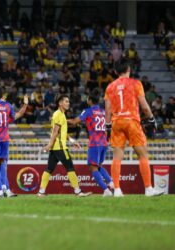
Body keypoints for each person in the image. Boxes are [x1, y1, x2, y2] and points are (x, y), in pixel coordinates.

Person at [104, 59, 164, 197]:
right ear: (129, 70)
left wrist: (108, 127)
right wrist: (152, 119)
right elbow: (144, 106)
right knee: (142, 154)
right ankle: (148, 189)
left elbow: (107, 110)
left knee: (117, 157)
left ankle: (117, 190)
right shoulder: (136, 84)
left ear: (115, 71)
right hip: (131, 121)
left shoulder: (110, 87)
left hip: (117, 122)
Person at [38, 95, 92, 197]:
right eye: (66, 101)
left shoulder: (61, 114)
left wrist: (72, 141)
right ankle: (78, 191)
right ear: (60, 103)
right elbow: (55, 132)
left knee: (49, 169)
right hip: (60, 147)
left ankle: (41, 192)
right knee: (70, 168)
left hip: (56, 147)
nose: (68, 103)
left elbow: (62, 133)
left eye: (68, 101)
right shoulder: (58, 114)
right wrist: (49, 145)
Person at [68, 90, 114, 196]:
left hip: (95, 142)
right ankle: (111, 183)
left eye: (87, 98)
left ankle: (106, 191)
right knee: (98, 166)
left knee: (92, 167)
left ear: (90, 100)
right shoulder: (103, 111)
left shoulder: (88, 111)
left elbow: (75, 121)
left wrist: (61, 120)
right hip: (104, 142)